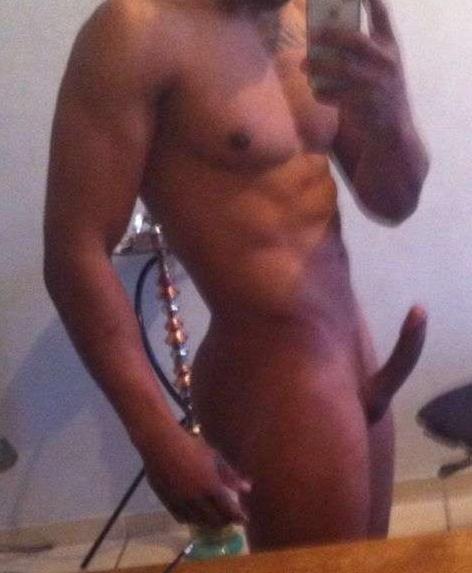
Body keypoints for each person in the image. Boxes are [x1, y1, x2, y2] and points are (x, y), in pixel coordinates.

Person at [44, 0, 429, 552]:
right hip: (276, 378)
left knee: (369, 560)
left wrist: (393, 117)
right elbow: (74, 252)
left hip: (357, 354)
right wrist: (156, 436)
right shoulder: (133, 33)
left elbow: (392, 201)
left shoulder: (309, 15)